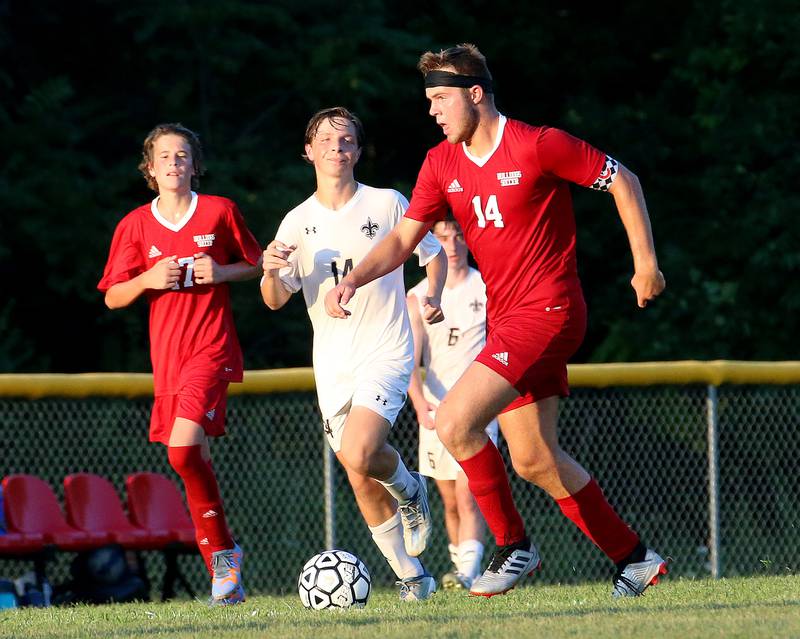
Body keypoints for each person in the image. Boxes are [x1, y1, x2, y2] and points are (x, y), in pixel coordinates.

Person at [325, 44, 668, 598]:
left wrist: (646, 264)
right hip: (509, 322)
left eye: (440, 98)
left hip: (550, 310)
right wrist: (353, 279)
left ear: (475, 93)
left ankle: (513, 547)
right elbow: (401, 241)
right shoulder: (441, 163)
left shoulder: (538, 143)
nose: (433, 110)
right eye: (429, 99)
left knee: (456, 423)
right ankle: (637, 558)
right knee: (534, 459)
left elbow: (623, 179)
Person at [261, 107, 448, 602]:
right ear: (309, 151)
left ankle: (410, 489)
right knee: (358, 472)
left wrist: (433, 293)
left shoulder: (386, 203)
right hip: (333, 365)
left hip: (386, 349)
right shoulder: (297, 222)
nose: (336, 148)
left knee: (365, 451)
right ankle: (413, 577)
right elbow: (276, 299)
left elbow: (435, 254)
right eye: (325, 139)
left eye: (345, 140)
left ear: (357, 152)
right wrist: (268, 270)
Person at [98, 123, 262, 605]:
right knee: (192, 459)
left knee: (181, 452)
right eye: (165, 156)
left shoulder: (219, 211)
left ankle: (223, 556)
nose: (174, 163)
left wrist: (224, 270)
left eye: (182, 155)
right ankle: (224, 565)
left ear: (195, 164)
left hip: (210, 349)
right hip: (166, 360)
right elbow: (112, 296)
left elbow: (257, 263)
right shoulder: (134, 225)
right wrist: (148, 277)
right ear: (149, 169)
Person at [406, 214, 495, 590]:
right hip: (435, 407)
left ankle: (469, 573)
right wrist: (418, 402)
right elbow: (410, 356)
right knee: (450, 498)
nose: (452, 245)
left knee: (468, 490)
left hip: (478, 403)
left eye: (458, 236)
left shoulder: (486, 286)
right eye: (443, 238)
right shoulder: (418, 295)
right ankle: (461, 569)